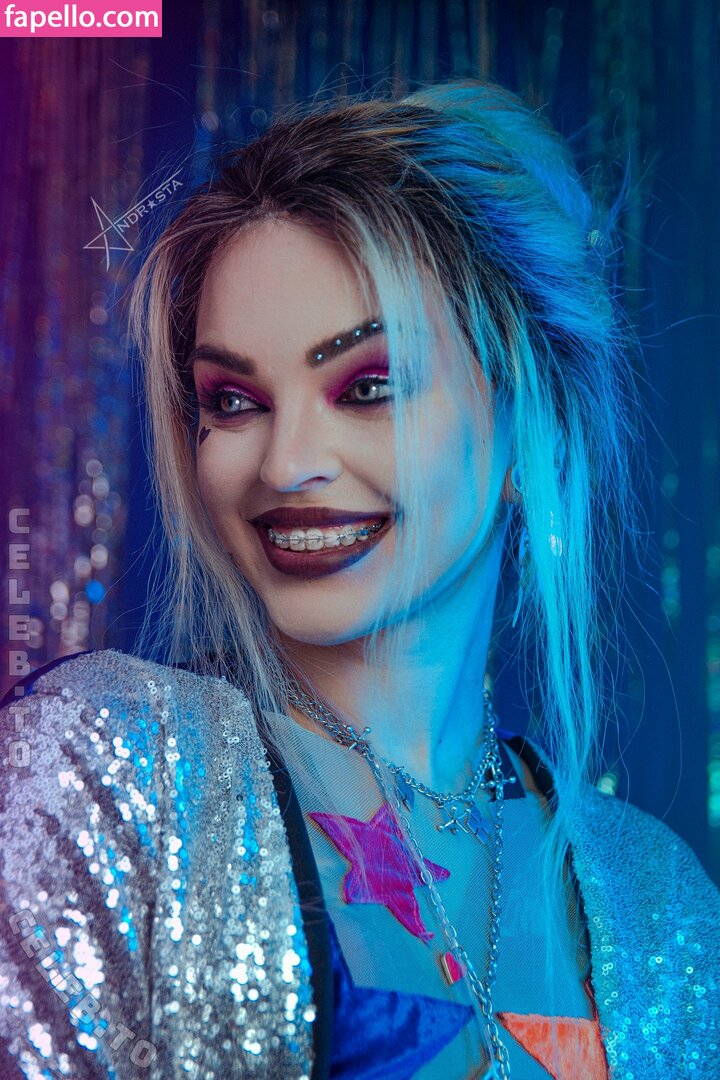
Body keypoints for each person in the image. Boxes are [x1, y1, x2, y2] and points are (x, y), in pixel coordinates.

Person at [1, 80, 718, 1080]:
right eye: (234, 400)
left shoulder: (657, 898)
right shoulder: (110, 773)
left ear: (530, 424)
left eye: (367, 385)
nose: (287, 462)